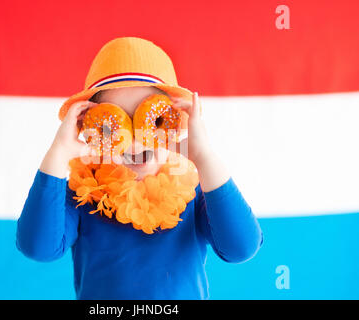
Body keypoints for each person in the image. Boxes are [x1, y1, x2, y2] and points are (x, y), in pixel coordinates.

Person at [16, 37, 263, 299]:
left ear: (177, 122)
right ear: (89, 129)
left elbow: (240, 248)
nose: (134, 140)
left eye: (153, 121)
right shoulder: (82, 194)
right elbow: (38, 248)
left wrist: (203, 156)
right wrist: (58, 154)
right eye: (113, 124)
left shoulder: (194, 191)